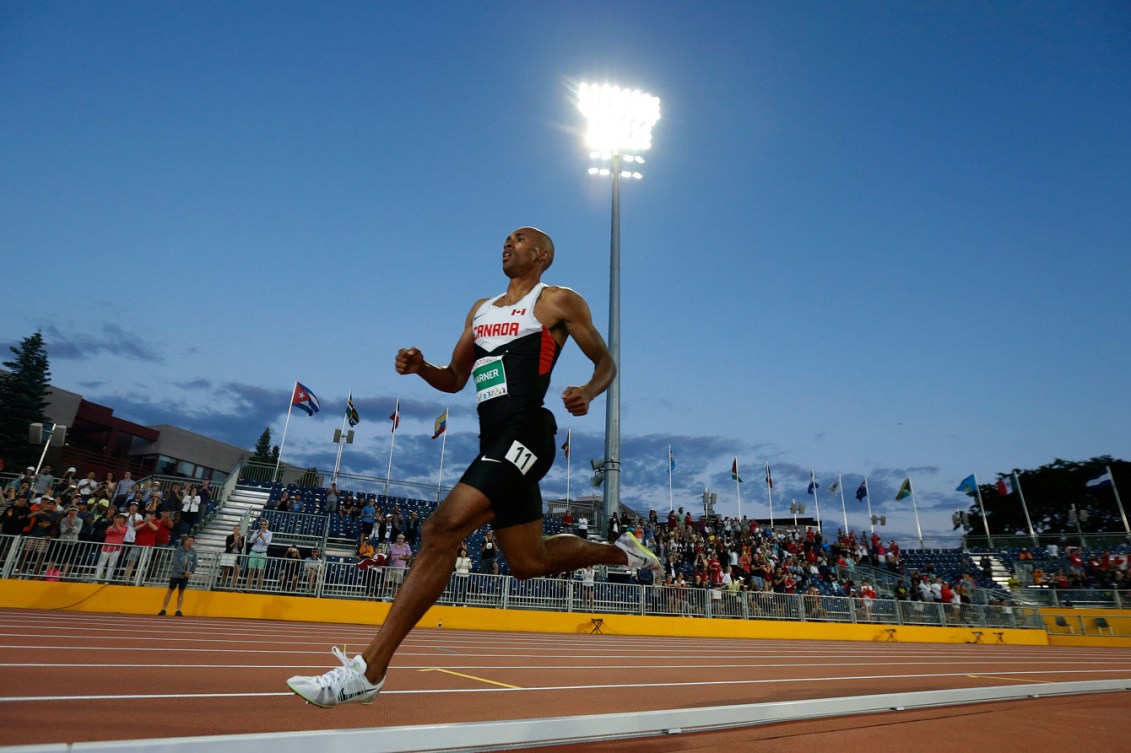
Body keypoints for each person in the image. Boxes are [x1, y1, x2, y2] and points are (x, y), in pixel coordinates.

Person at [287, 226, 663, 707]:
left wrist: (587, 393)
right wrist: (422, 367)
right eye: (506, 239)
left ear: (543, 255)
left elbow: (606, 362)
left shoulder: (558, 302)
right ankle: (623, 554)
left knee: (442, 529)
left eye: (520, 239)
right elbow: (456, 377)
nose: (508, 244)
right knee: (529, 563)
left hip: (528, 433)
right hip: (494, 441)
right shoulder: (481, 310)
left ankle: (369, 671)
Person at [158, 535, 197, 616]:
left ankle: (178, 610)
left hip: (185, 576)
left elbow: (195, 563)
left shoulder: (193, 552)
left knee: (181, 592)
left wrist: (191, 572)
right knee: (170, 590)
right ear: (185, 541)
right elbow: (175, 562)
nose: (190, 542)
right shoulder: (178, 551)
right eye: (188, 540)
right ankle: (163, 609)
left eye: (191, 541)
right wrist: (182, 572)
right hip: (176, 574)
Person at [246, 518, 272, 590]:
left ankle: (258, 588)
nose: (263, 526)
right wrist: (257, 535)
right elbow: (251, 541)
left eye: (265, 524)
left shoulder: (270, 533)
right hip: (253, 552)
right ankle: (248, 587)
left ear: (267, 525)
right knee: (251, 570)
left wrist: (262, 536)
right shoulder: (256, 531)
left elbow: (267, 542)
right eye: (262, 524)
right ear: (260, 525)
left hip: (262, 553)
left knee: (260, 571)